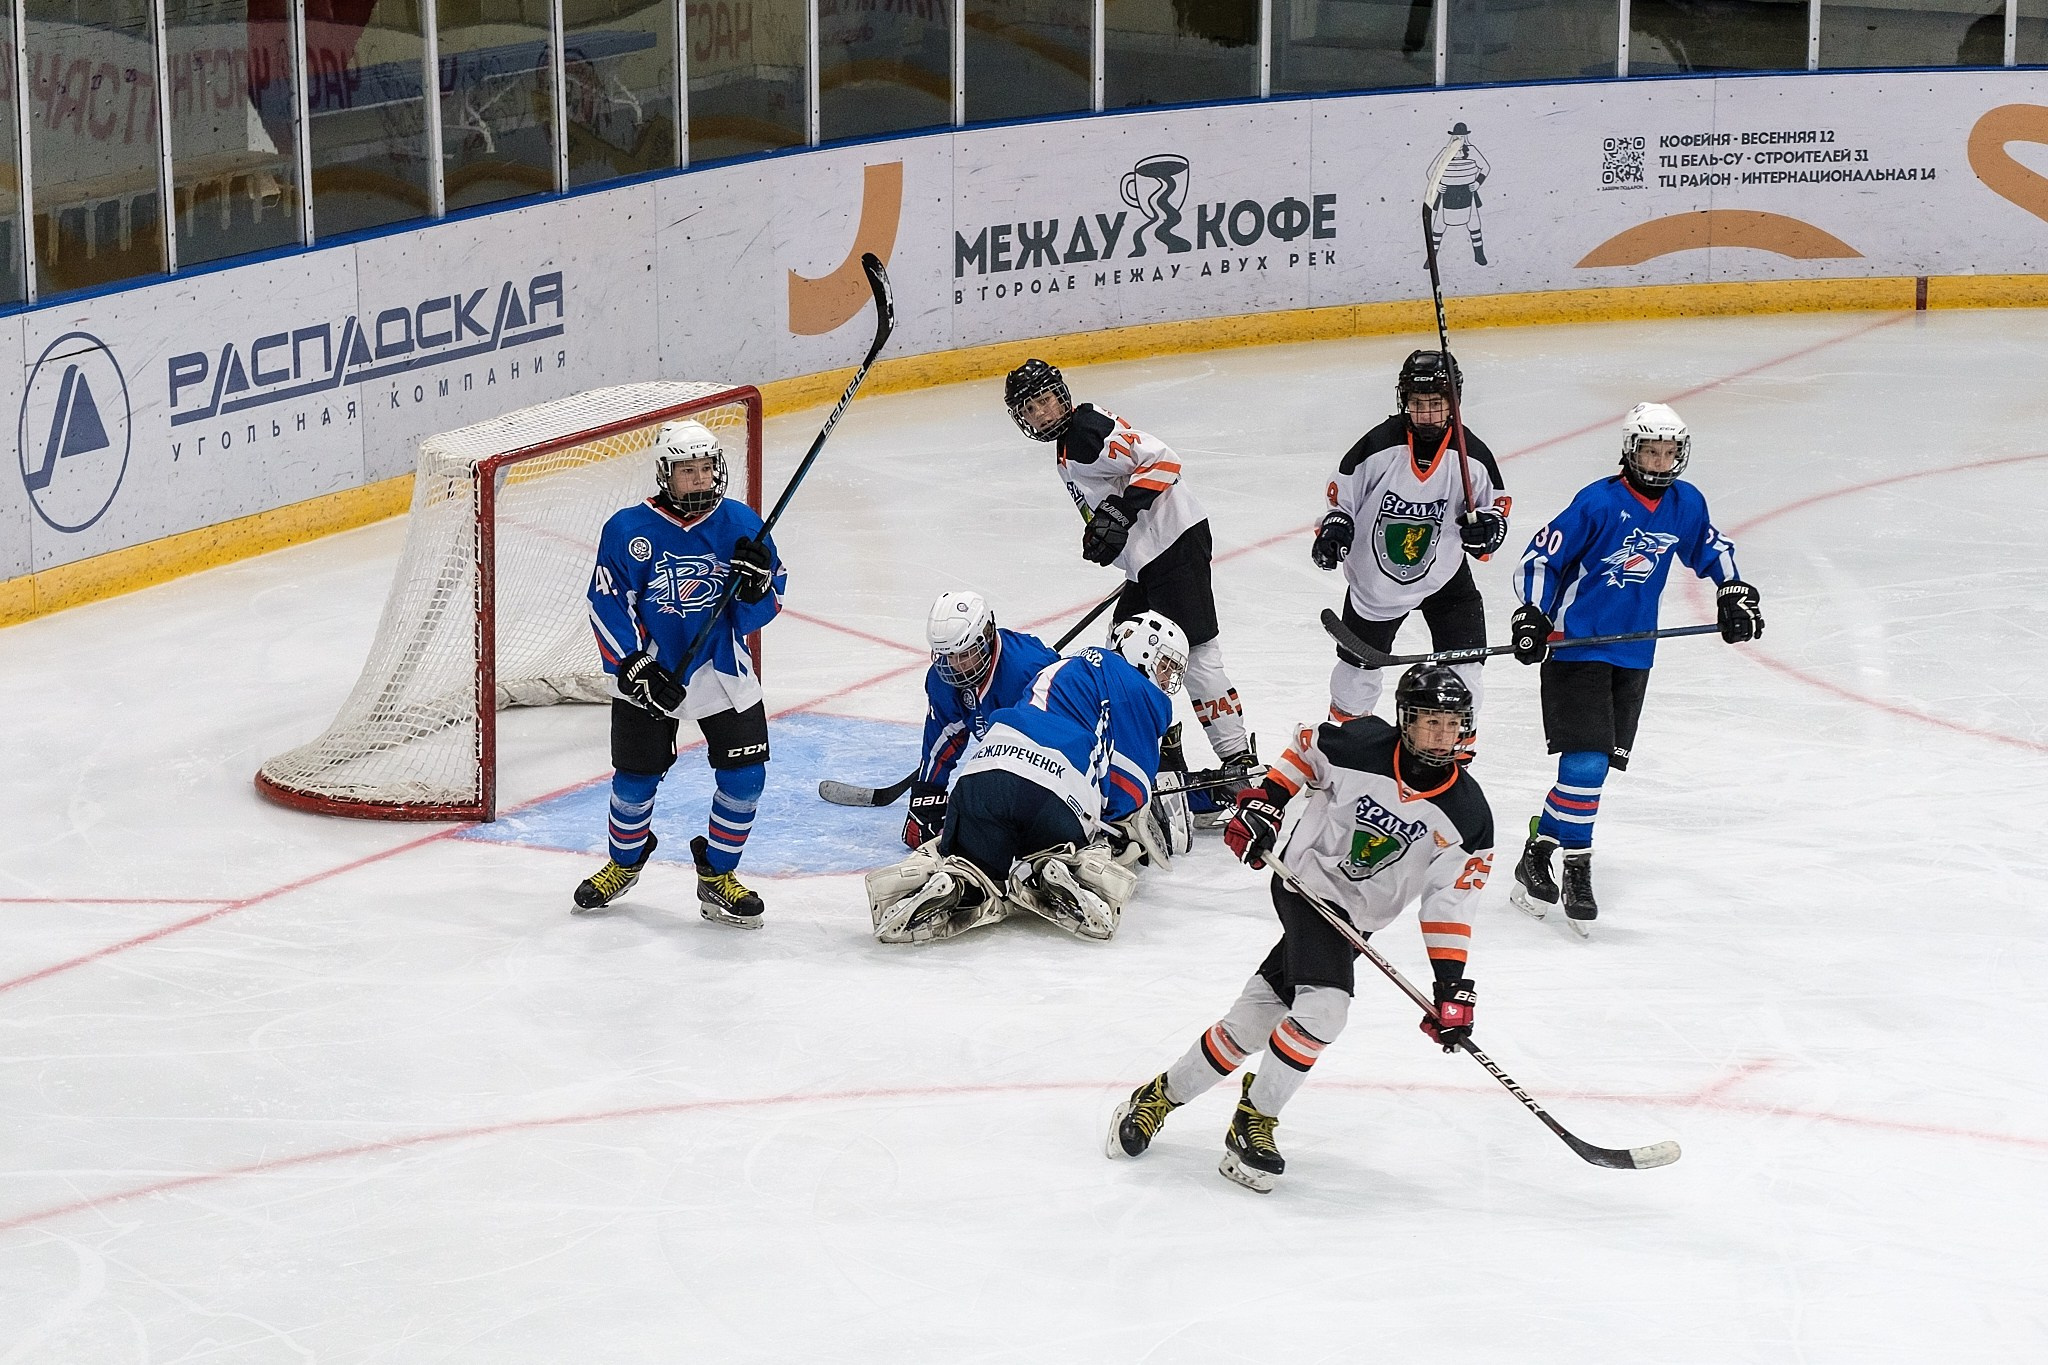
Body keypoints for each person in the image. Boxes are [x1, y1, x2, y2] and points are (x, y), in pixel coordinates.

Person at [1106, 665, 1493, 1193]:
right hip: (1306, 886)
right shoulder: (1360, 744)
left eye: (1451, 724)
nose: (1442, 735)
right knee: (1325, 1009)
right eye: (1430, 722)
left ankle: (1157, 1097)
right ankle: (1254, 1121)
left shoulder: (1469, 816)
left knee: (1250, 1024)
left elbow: (1451, 904)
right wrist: (1267, 800)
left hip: (1357, 925)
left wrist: (1450, 985)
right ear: (1406, 720)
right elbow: (1305, 750)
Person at [1506, 401, 1763, 935]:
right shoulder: (1598, 502)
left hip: (1634, 650)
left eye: (1669, 453)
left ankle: (1538, 850)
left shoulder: (1685, 503)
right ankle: (1577, 867)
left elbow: (1712, 548)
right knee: (1585, 767)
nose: (1660, 462)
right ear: (1630, 451)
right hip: (1576, 646)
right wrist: (1533, 614)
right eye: (1651, 451)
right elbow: (1541, 558)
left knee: (1593, 772)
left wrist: (1733, 592)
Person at [572, 419, 787, 928]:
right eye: (689, 470)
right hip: (651, 671)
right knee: (634, 781)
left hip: (721, 667)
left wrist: (756, 587)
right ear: (665, 474)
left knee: (745, 779)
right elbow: (606, 602)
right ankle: (624, 863)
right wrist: (635, 666)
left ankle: (717, 874)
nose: (701, 479)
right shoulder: (627, 528)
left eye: (708, 468)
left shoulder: (740, 521)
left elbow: (773, 594)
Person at [865, 614, 1187, 945]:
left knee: (974, 865)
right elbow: (1129, 787)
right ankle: (1067, 868)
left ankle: (949, 879)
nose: (1167, 678)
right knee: (1102, 838)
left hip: (979, 779)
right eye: (1165, 664)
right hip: (1052, 794)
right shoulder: (1140, 690)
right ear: (1142, 651)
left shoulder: (1062, 667)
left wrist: (927, 792)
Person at [1002, 358, 1255, 779]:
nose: (1041, 413)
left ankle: (1237, 761)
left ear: (1060, 395)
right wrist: (1114, 534)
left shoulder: (1084, 434)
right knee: (1122, 654)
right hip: (1153, 558)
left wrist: (1119, 514)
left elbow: (1164, 461)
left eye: (1044, 400)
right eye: (1030, 409)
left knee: (1195, 654)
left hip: (1174, 547)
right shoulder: (1072, 439)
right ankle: (1164, 749)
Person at [1313, 349, 1510, 726]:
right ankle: (1346, 742)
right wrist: (1335, 529)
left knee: (1465, 673)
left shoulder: (1472, 456)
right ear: (1404, 401)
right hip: (1378, 583)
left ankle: (1455, 749)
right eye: (1418, 403)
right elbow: (1341, 502)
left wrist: (1486, 531)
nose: (1427, 414)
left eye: (1436, 404)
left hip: (1446, 576)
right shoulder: (1377, 447)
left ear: (1453, 402)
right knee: (1355, 678)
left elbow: (1495, 510)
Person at [903, 590, 1060, 849]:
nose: (955, 665)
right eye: (948, 655)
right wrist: (927, 793)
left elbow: (1059, 741)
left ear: (986, 636)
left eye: (964, 654)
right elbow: (943, 737)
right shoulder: (943, 679)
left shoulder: (1028, 671)